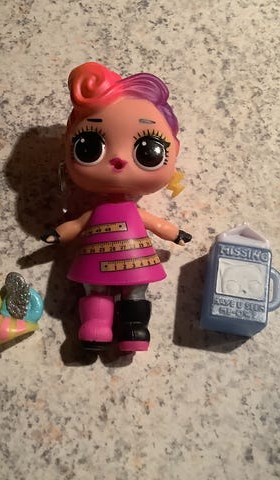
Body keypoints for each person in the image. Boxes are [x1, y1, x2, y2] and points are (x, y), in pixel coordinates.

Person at [42, 62, 191, 352]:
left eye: (147, 150)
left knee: (135, 291)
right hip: (98, 259)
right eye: (89, 146)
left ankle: (134, 329)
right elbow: (77, 225)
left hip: (134, 258)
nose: (118, 160)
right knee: (95, 290)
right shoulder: (98, 213)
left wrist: (176, 234)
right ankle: (95, 326)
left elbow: (156, 224)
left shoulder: (133, 213)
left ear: (174, 149)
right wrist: (57, 234)